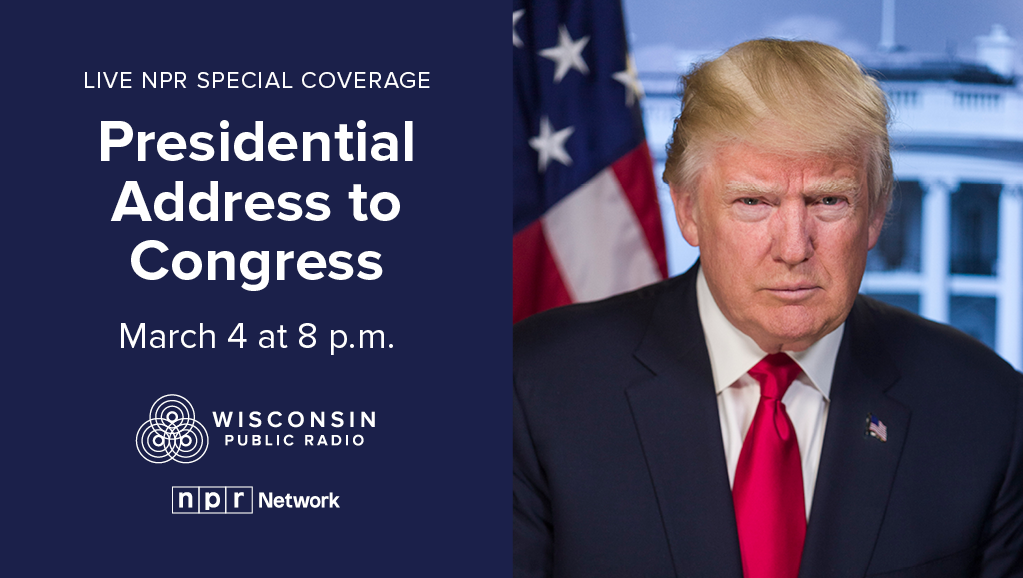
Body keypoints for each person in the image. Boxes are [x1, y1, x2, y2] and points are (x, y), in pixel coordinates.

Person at [513, 39, 1023, 578]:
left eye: (828, 200)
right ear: (688, 211)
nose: (793, 247)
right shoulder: (536, 388)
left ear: (875, 214)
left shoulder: (988, 412)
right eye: (753, 202)